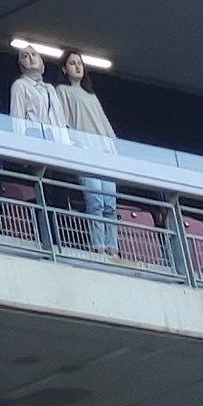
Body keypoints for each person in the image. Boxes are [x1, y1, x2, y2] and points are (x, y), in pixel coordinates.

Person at [54, 50, 118, 254]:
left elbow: (106, 126)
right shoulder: (62, 91)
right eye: (72, 63)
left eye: (80, 63)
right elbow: (62, 121)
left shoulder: (92, 96)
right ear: (64, 68)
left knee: (110, 204)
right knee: (95, 201)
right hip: (85, 152)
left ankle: (112, 247)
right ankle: (98, 245)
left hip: (103, 154)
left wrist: (113, 148)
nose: (77, 66)